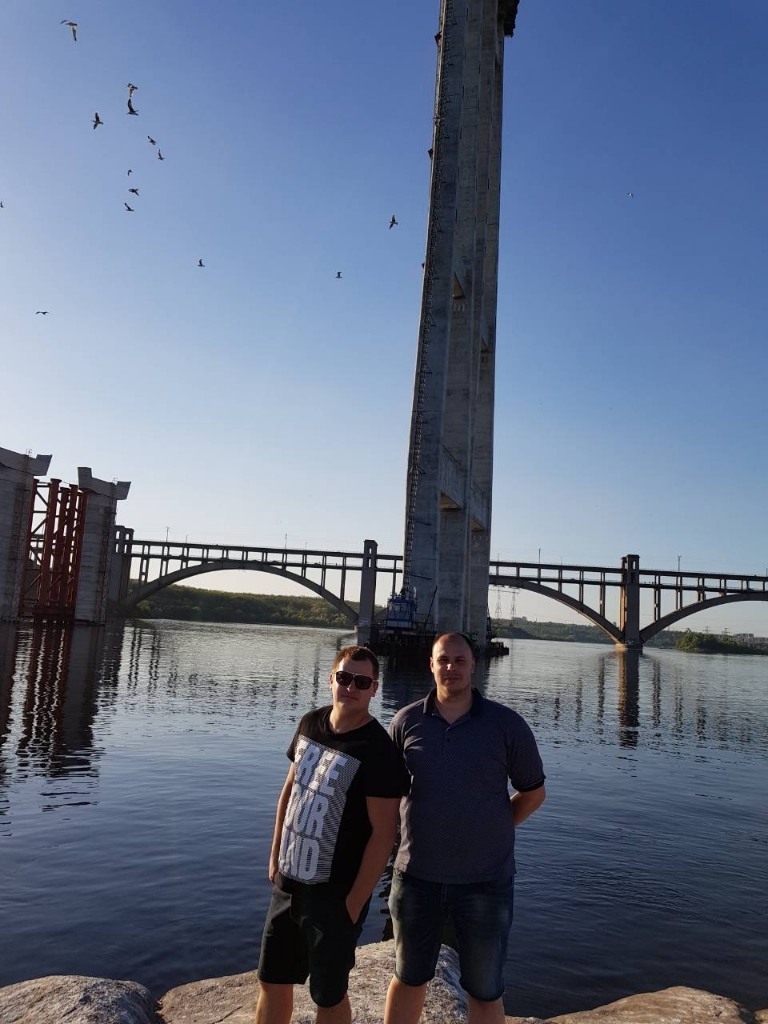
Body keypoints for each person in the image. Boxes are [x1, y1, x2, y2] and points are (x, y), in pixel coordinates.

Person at [384, 632, 546, 1024]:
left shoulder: (507, 725)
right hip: (416, 876)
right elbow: (387, 795)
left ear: (474, 664)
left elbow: (533, 792)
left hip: (485, 882)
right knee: (407, 978)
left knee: (485, 989)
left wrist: (494, 826)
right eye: (444, 660)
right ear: (431, 665)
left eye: (459, 660)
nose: (451, 668)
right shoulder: (406, 721)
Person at [256, 645, 407, 1024]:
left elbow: (384, 833)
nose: (350, 687)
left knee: (328, 994)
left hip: (335, 895)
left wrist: (354, 902)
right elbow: (289, 792)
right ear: (331, 679)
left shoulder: (378, 750)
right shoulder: (310, 723)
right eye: (344, 678)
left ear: (374, 689)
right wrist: (275, 857)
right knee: (271, 980)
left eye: (362, 682)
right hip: (289, 883)